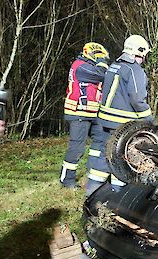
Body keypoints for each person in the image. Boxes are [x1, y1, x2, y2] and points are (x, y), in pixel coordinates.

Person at [85, 35, 153, 196]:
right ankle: (118, 194)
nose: (144, 59)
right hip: (121, 123)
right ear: (140, 52)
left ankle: (92, 192)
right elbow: (137, 98)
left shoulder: (114, 66)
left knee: (103, 154)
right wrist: (148, 118)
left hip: (104, 119)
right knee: (120, 158)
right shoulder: (134, 70)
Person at [59, 42, 109, 189]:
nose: (101, 59)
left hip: (93, 112)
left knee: (99, 143)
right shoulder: (80, 66)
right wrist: (102, 62)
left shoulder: (89, 66)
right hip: (79, 112)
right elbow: (102, 75)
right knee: (77, 148)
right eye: (98, 56)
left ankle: (93, 173)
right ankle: (67, 179)